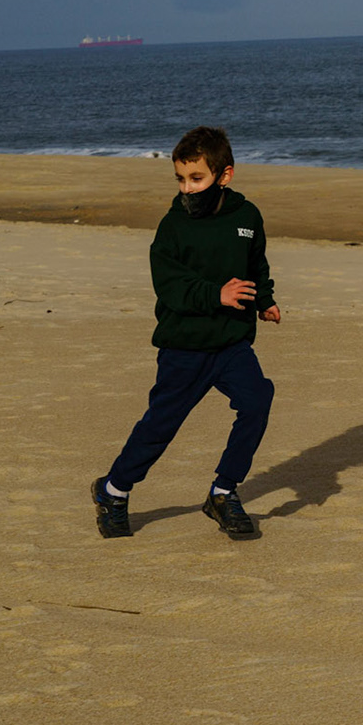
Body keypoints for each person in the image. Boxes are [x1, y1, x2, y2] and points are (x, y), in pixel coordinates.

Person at [90, 126, 280, 540]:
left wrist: (264, 299)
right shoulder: (173, 226)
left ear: (224, 175)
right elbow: (171, 288)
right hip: (185, 347)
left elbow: (256, 265)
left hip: (231, 343)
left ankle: (222, 492)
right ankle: (113, 491)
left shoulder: (247, 216)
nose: (187, 188)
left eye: (196, 178)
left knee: (257, 401)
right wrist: (217, 294)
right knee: (161, 425)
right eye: (180, 178)